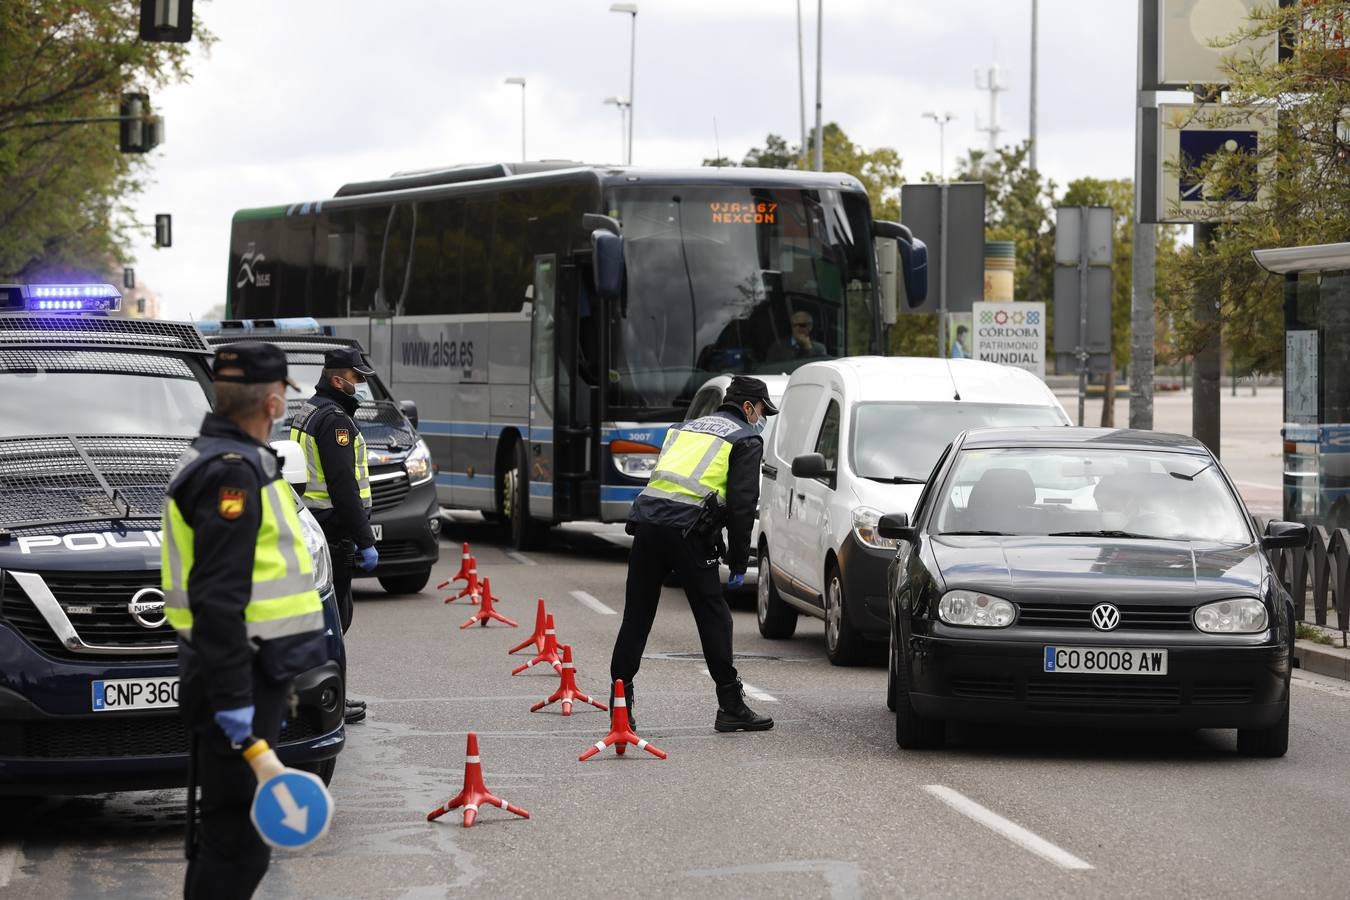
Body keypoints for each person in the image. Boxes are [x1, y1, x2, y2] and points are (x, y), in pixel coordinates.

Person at [162, 342, 328, 899]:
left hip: (244, 677)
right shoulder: (232, 474)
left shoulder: (223, 459)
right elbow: (217, 601)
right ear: (275, 402)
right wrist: (234, 700)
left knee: (229, 840)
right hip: (239, 680)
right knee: (237, 847)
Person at [610, 375, 777, 733]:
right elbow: (743, 504)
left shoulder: (685, 428)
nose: (761, 418)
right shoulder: (745, 438)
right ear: (748, 407)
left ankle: (620, 703)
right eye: (762, 410)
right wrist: (737, 560)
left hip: (648, 525)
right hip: (687, 532)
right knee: (714, 616)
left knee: (637, 616)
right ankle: (731, 706)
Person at [290, 347, 377, 725]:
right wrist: (366, 539)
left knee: (332, 616)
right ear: (336, 378)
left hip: (318, 525)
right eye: (355, 378)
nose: (358, 385)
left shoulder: (309, 411)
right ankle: (329, 699)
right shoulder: (335, 421)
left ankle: (329, 694)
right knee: (336, 618)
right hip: (333, 528)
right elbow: (343, 487)